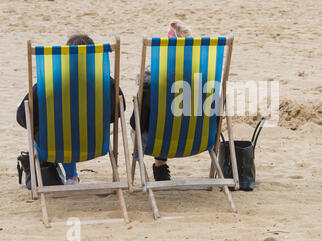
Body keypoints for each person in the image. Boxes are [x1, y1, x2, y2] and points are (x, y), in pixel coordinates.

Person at [16, 34, 126, 185]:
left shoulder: (48, 83)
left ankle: (69, 175)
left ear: (67, 57)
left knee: (58, 127)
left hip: (52, 145)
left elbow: (23, 118)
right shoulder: (106, 83)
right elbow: (119, 112)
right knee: (71, 124)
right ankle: (72, 176)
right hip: (95, 143)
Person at [130, 20, 193, 181]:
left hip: (156, 140)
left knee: (155, 119)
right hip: (197, 139)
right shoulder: (206, 74)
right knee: (173, 114)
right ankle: (160, 167)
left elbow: (138, 120)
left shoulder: (152, 76)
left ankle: (160, 165)